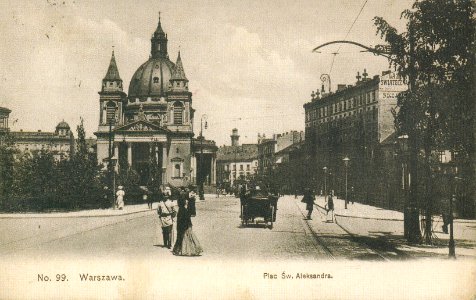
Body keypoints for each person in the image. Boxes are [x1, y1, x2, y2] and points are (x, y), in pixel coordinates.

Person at [173, 191, 203, 256]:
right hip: (186, 226)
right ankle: (188, 250)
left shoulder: (180, 210)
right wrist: (189, 225)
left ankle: (179, 249)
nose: (186, 201)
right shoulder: (184, 210)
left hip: (182, 226)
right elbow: (187, 218)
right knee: (189, 238)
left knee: (184, 239)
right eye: (185, 201)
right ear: (183, 202)